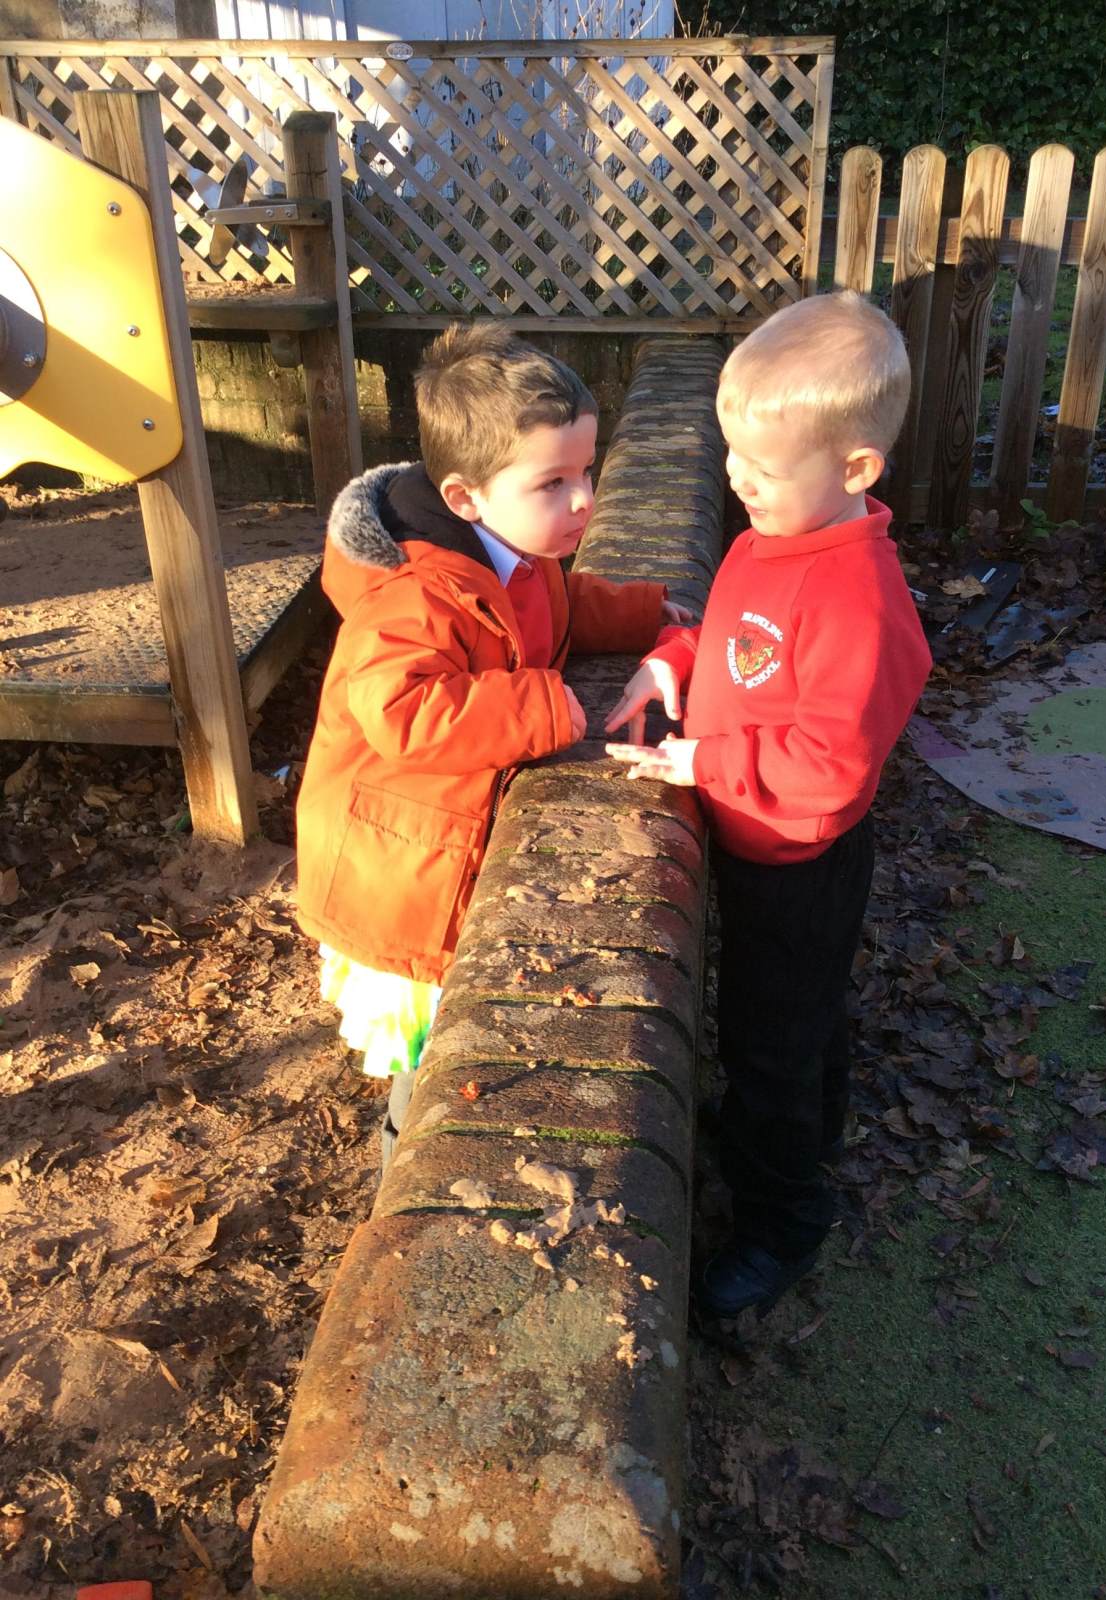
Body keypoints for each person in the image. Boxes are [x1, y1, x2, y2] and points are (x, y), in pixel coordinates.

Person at [604, 291, 932, 1320]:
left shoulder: (859, 599)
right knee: (797, 1022)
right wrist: (673, 660)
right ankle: (806, 1127)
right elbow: (735, 636)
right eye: (732, 456)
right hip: (761, 842)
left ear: (855, 469)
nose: (737, 480)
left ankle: (785, 1217)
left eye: (763, 466)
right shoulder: (774, 530)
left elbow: (829, 764)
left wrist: (702, 760)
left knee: (770, 1041)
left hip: (800, 861)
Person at [295, 323, 688, 1163]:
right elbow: (401, 710)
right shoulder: (411, 597)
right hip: (405, 870)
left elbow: (558, 606)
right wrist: (539, 704)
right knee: (433, 1051)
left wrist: (642, 611)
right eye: (553, 482)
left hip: (441, 840)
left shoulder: (516, 546)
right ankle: (409, 1166)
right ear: (464, 497)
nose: (583, 502)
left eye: (587, 472)